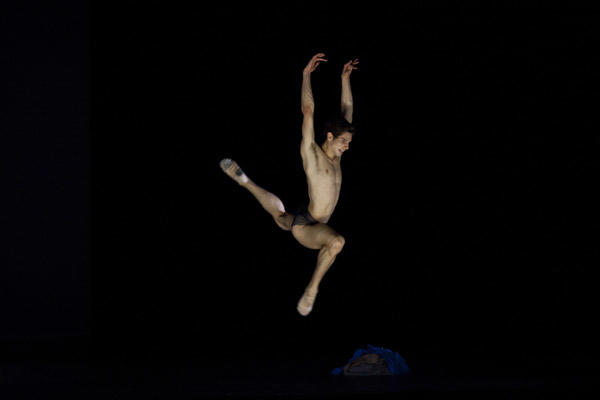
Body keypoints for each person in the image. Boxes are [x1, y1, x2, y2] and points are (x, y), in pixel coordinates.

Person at [220, 53, 359, 316]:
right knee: (336, 243)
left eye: (348, 142)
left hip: (312, 219)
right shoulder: (312, 152)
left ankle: (246, 181)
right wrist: (306, 75)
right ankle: (312, 290)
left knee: (282, 217)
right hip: (309, 225)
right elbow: (308, 110)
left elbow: (347, 111)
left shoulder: (338, 154)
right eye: (344, 141)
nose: (347, 146)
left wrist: (344, 78)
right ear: (329, 136)